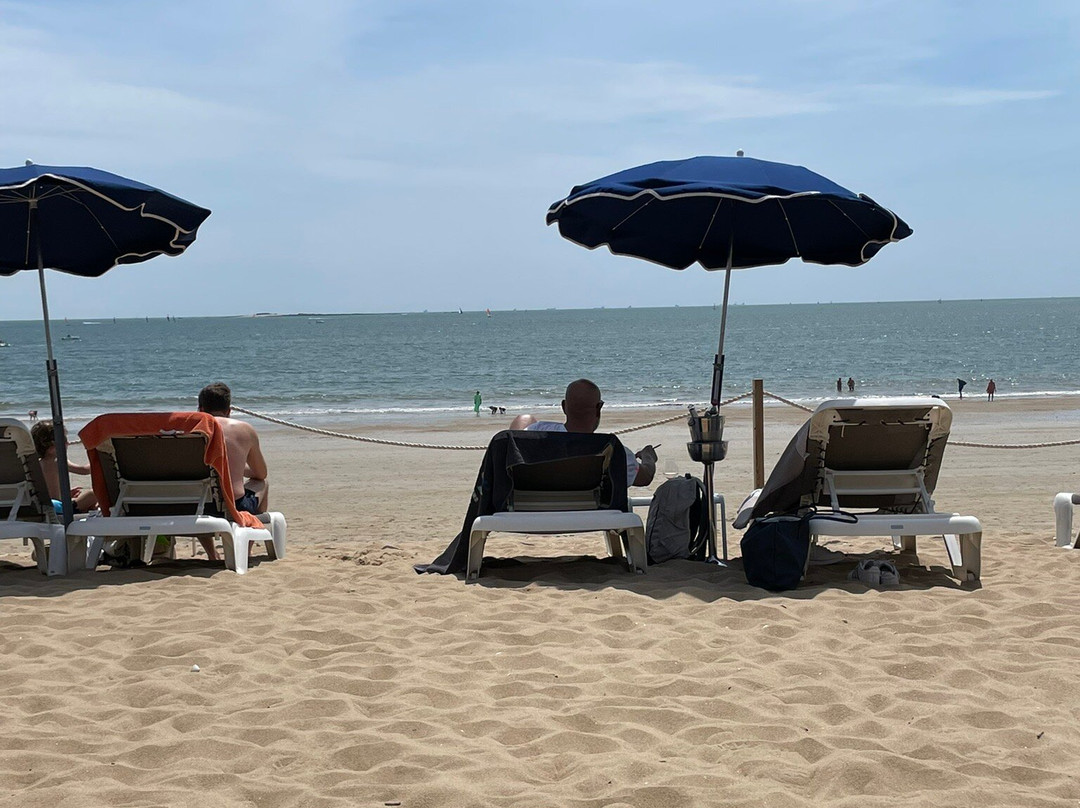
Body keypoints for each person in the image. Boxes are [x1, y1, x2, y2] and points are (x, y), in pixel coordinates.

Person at [509, 379, 656, 487]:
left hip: (533, 513)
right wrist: (648, 457)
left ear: (564, 407)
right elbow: (645, 478)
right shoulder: (615, 452)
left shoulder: (534, 436)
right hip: (590, 514)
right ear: (598, 409)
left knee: (524, 419)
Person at [198, 383, 269, 560]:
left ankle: (212, 554)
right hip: (236, 507)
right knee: (262, 484)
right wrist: (237, 468)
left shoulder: (190, 431)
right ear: (229, 410)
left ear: (200, 409)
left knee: (200, 492)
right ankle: (247, 548)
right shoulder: (244, 430)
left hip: (197, 507)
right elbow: (261, 474)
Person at [30, 420, 97, 513]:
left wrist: (66, 494)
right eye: (65, 440)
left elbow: (49, 491)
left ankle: (85, 508)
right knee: (93, 493)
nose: (68, 443)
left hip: (45, 507)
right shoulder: (58, 461)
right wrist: (97, 459)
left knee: (89, 503)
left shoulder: (37, 464)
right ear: (52, 447)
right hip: (59, 509)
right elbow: (85, 470)